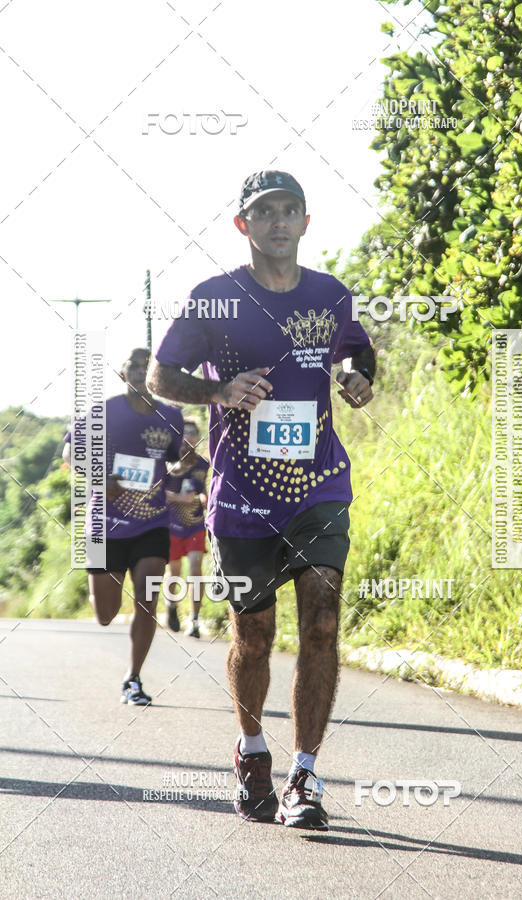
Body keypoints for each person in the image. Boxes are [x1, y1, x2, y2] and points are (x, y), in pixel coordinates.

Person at [147, 170, 375, 829]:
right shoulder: (215, 299)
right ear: (243, 225)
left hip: (318, 486)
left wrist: (357, 379)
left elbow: (353, 355)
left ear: (307, 222)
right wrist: (219, 392)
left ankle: (304, 775)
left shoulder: (330, 296)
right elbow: (163, 375)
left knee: (324, 617)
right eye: (264, 212)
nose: (279, 222)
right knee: (254, 633)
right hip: (243, 495)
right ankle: (252, 754)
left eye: (290, 211)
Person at [63, 347, 187, 705]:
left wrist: (185, 464)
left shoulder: (171, 416)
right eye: (133, 365)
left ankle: (133, 678)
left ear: (155, 373)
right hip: (104, 526)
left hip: (152, 522)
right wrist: (101, 478)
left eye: (146, 365)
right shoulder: (102, 413)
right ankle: (104, 602)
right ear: (122, 373)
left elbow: (175, 463)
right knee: (105, 614)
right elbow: (71, 455)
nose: (139, 370)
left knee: (147, 600)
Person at [164, 419, 209, 638]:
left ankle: (195, 620)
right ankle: (171, 606)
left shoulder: (203, 464)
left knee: (195, 569)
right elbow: (156, 493)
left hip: (195, 525)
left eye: (193, 433)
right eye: (186, 433)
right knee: (173, 571)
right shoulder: (168, 464)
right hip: (171, 526)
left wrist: (207, 499)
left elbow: (204, 490)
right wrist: (180, 498)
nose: (190, 437)